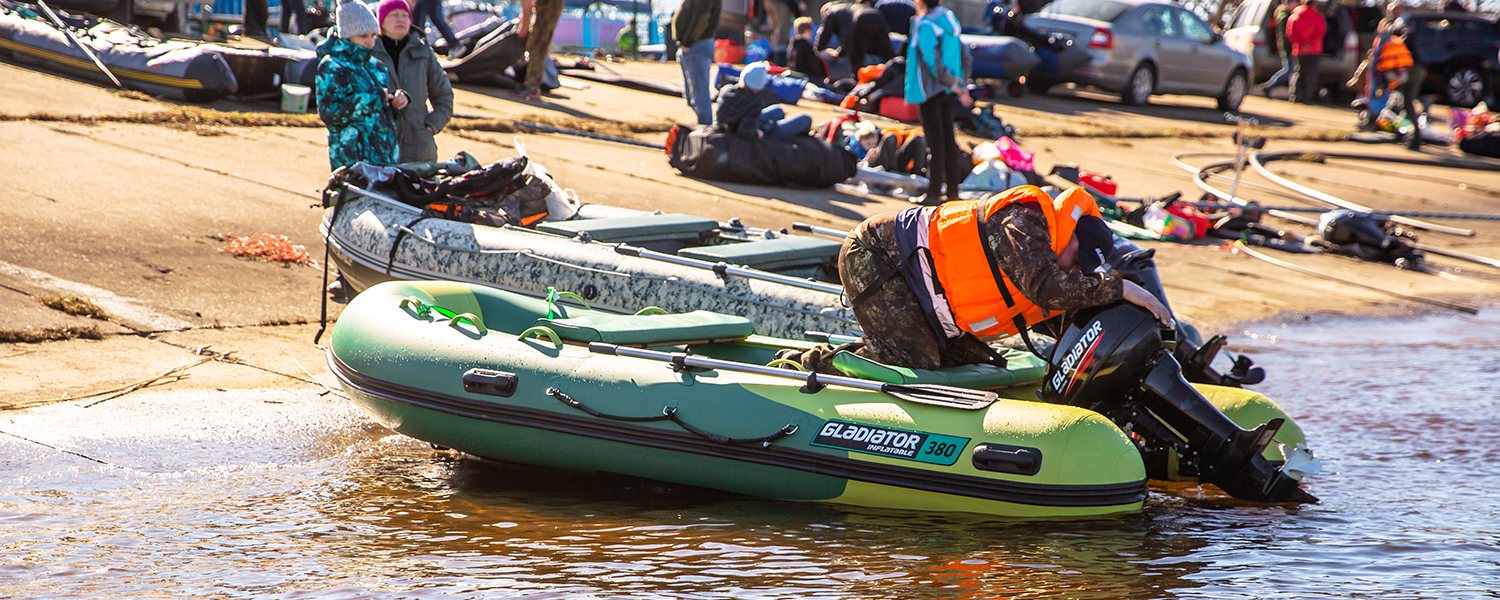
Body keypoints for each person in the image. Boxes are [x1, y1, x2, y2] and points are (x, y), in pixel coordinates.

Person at [785, 185, 1172, 372]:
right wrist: (1120, 287)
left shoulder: (1057, 264)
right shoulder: (1023, 218)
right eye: (1078, 259)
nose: (1077, 270)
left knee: (982, 363)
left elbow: (1072, 319)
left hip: (928, 295)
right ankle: (807, 366)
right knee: (917, 360)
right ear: (1069, 233)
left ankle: (874, 349)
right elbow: (1045, 289)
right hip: (880, 258)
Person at [317, 0, 406, 171]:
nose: (369, 42)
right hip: (352, 159)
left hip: (384, 157)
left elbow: (383, 113)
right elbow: (329, 112)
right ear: (347, 35)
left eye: (373, 36)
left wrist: (396, 104)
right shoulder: (332, 66)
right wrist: (374, 99)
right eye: (363, 36)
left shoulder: (377, 67)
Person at [371, 0, 455, 163]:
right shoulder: (369, 52)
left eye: (405, 15)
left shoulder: (423, 51)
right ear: (381, 21)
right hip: (380, 149)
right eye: (394, 15)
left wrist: (430, 127)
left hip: (420, 151)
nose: (401, 19)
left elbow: (444, 96)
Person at [906, 0, 970, 204]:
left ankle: (933, 192)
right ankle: (952, 192)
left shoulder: (925, 24)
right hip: (950, 90)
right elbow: (965, 55)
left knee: (935, 144)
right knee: (949, 142)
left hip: (931, 91)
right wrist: (959, 83)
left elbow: (931, 60)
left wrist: (948, 81)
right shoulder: (950, 19)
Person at [713, 61, 813, 139]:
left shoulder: (726, 90)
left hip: (732, 126)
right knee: (806, 119)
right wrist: (758, 133)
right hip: (754, 132)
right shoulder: (755, 102)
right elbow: (745, 132)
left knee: (778, 110)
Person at [673, 0, 722, 125]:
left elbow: (702, 17)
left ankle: (706, 132)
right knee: (692, 98)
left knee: (700, 95)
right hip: (693, 46)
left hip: (697, 45)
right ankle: (705, 127)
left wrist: (687, 42)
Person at [816, 0, 896, 71]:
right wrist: (839, 52)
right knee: (888, 54)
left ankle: (858, 82)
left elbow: (825, 33)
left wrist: (816, 51)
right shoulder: (846, 8)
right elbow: (847, 38)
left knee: (857, 60)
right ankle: (898, 73)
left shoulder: (830, 11)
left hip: (860, 20)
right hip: (877, 16)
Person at [515, 0, 564, 98]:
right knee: (538, 43)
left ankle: (532, 87)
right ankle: (532, 85)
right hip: (549, 5)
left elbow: (526, 2)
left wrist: (524, 25)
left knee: (536, 45)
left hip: (548, 5)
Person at [1286, 0, 1326, 104]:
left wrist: (1301, 43)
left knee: (1298, 72)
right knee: (1311, 74)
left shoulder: (1294, 17)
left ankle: (1295, 95)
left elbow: (1290, 33)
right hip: (1314, 49)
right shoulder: (1318, 17)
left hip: (1299, 49)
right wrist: (1310, 43)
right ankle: (1307, 97)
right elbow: (1320, 32)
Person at [1258, 0, 1294, 96]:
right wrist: (1290, 47)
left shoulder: (1282, 14)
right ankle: (1269, 85)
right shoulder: (1285, 16)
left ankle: (1270, 86)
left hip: (1284, 46)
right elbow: (1286, 35)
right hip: (1287, 47)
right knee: (1289, 70)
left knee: (1289, 69)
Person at [786, 17, 829, 83]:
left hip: (795, 79)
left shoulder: (791, 46)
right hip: (807, 80)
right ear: (808, 31)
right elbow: (813, 66)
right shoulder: (807, 47)